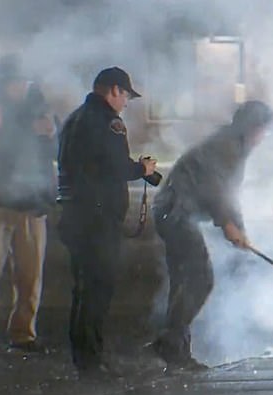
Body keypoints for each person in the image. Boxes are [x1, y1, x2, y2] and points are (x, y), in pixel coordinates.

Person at [151, 100, 273, 370]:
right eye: (262, 130)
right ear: (251, 128)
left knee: (183, 280)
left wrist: (238, 228)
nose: (263, 137)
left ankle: (177, 352)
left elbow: (229, 195)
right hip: (177, 213)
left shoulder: (232, 146)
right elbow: (215, 190)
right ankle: (170, 343)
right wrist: (228, 224)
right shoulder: (226, 147)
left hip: (171, 211)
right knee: (200, 278)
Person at [57, 67, 157, 375]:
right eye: (126, 95)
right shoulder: (109, 122)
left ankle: (83, 356)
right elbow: (114, 166)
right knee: (99, 288)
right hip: (98, 221)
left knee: (83, 288)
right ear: (114, 90)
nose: (126, 102)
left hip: (75, 215)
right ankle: (92, 360)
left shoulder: (75, 118)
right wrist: (142, 169)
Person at [0, 54, 57, 356]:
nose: (21, 86)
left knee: (30, 274)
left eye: (24, 81)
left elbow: (51, 149)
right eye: (16, 81)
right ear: (4, 82)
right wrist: (29, 132)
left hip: (30, 202)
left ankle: (23, 334)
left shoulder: (39, 108)